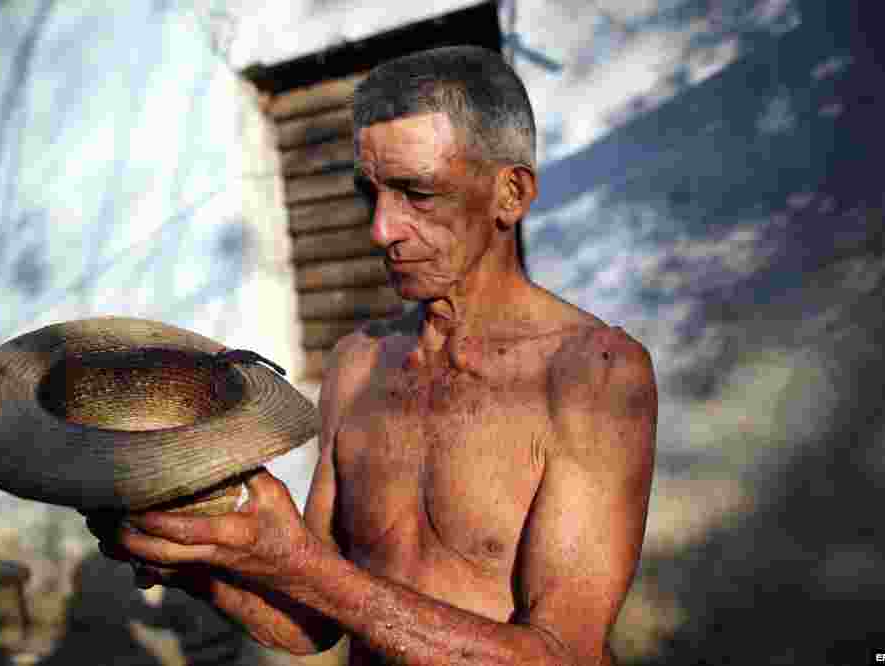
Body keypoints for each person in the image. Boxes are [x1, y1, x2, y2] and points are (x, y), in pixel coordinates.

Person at [90, 45, 657, 665]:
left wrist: (300, 566)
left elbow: (562, 657)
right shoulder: (357, 363)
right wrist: (194, 554)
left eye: (417, 192)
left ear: (510, 194)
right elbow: (311, 624)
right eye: (371, 193)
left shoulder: (592, 374)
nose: (381, 230)